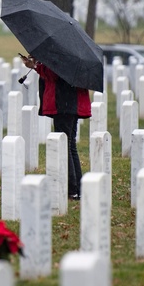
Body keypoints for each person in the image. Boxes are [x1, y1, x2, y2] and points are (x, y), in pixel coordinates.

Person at [20, 54, 91, 200]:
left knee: (65, 146)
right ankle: (78, 187)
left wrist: (35, 66)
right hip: (71, 103)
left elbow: (53, 74)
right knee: (70, 145)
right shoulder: (73, 53)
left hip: (63, 103)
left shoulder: (62, 55)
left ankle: (72, 189)